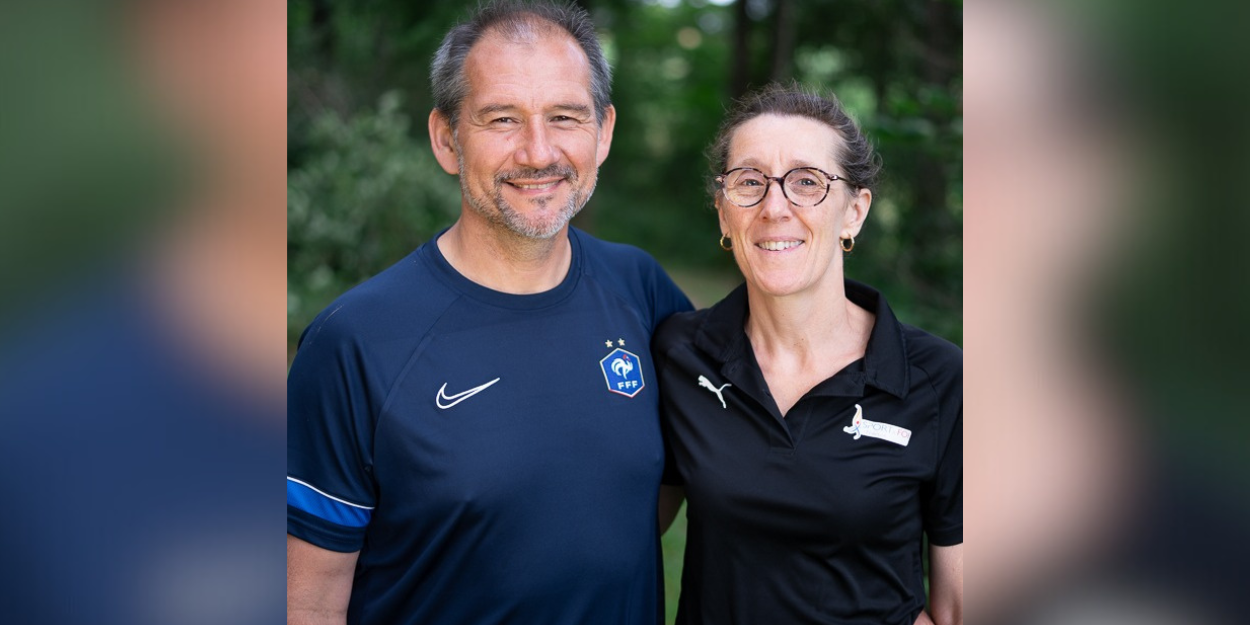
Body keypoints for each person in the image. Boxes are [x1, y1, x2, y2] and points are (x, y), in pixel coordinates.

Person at [286, 2, 692, 624]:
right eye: (502, 118)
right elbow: (306, 603)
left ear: (604, 133)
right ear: (447, 138)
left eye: (565, 117)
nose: (537, 152)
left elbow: (666, 485)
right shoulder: (355, 343)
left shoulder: (642, 289)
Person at [653, 84, 963, 625]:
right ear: (724, 214)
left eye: (806, 183)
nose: (776, 207)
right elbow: (620, 525)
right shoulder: (681, 357)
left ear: (854, 212)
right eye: (750, 182)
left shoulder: (939, 379)